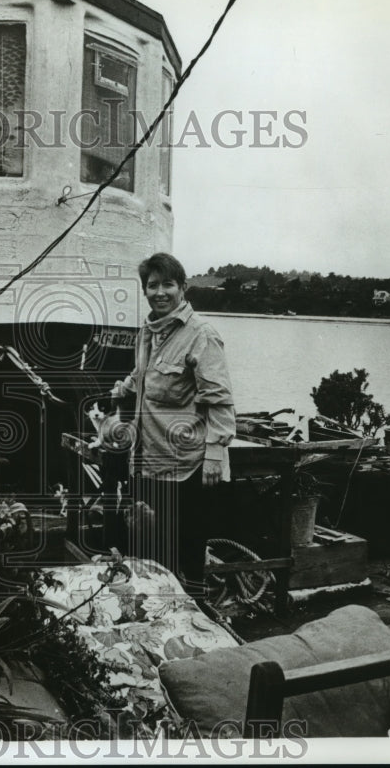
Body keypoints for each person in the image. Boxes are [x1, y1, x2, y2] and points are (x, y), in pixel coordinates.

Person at [111, 252, 236, 597]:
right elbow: (144, 375)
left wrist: (214, 452)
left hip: (186, 465)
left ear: (183, 288)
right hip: (148, 458)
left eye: (168, 284)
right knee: (148, 545)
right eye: (152, 285)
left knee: (187, 550)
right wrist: (121, 389)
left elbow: (220, 398)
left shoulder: (202, 335)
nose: (160, 292)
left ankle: (195, 613)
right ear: (144, 291)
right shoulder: (149, 330)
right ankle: (154, 613)